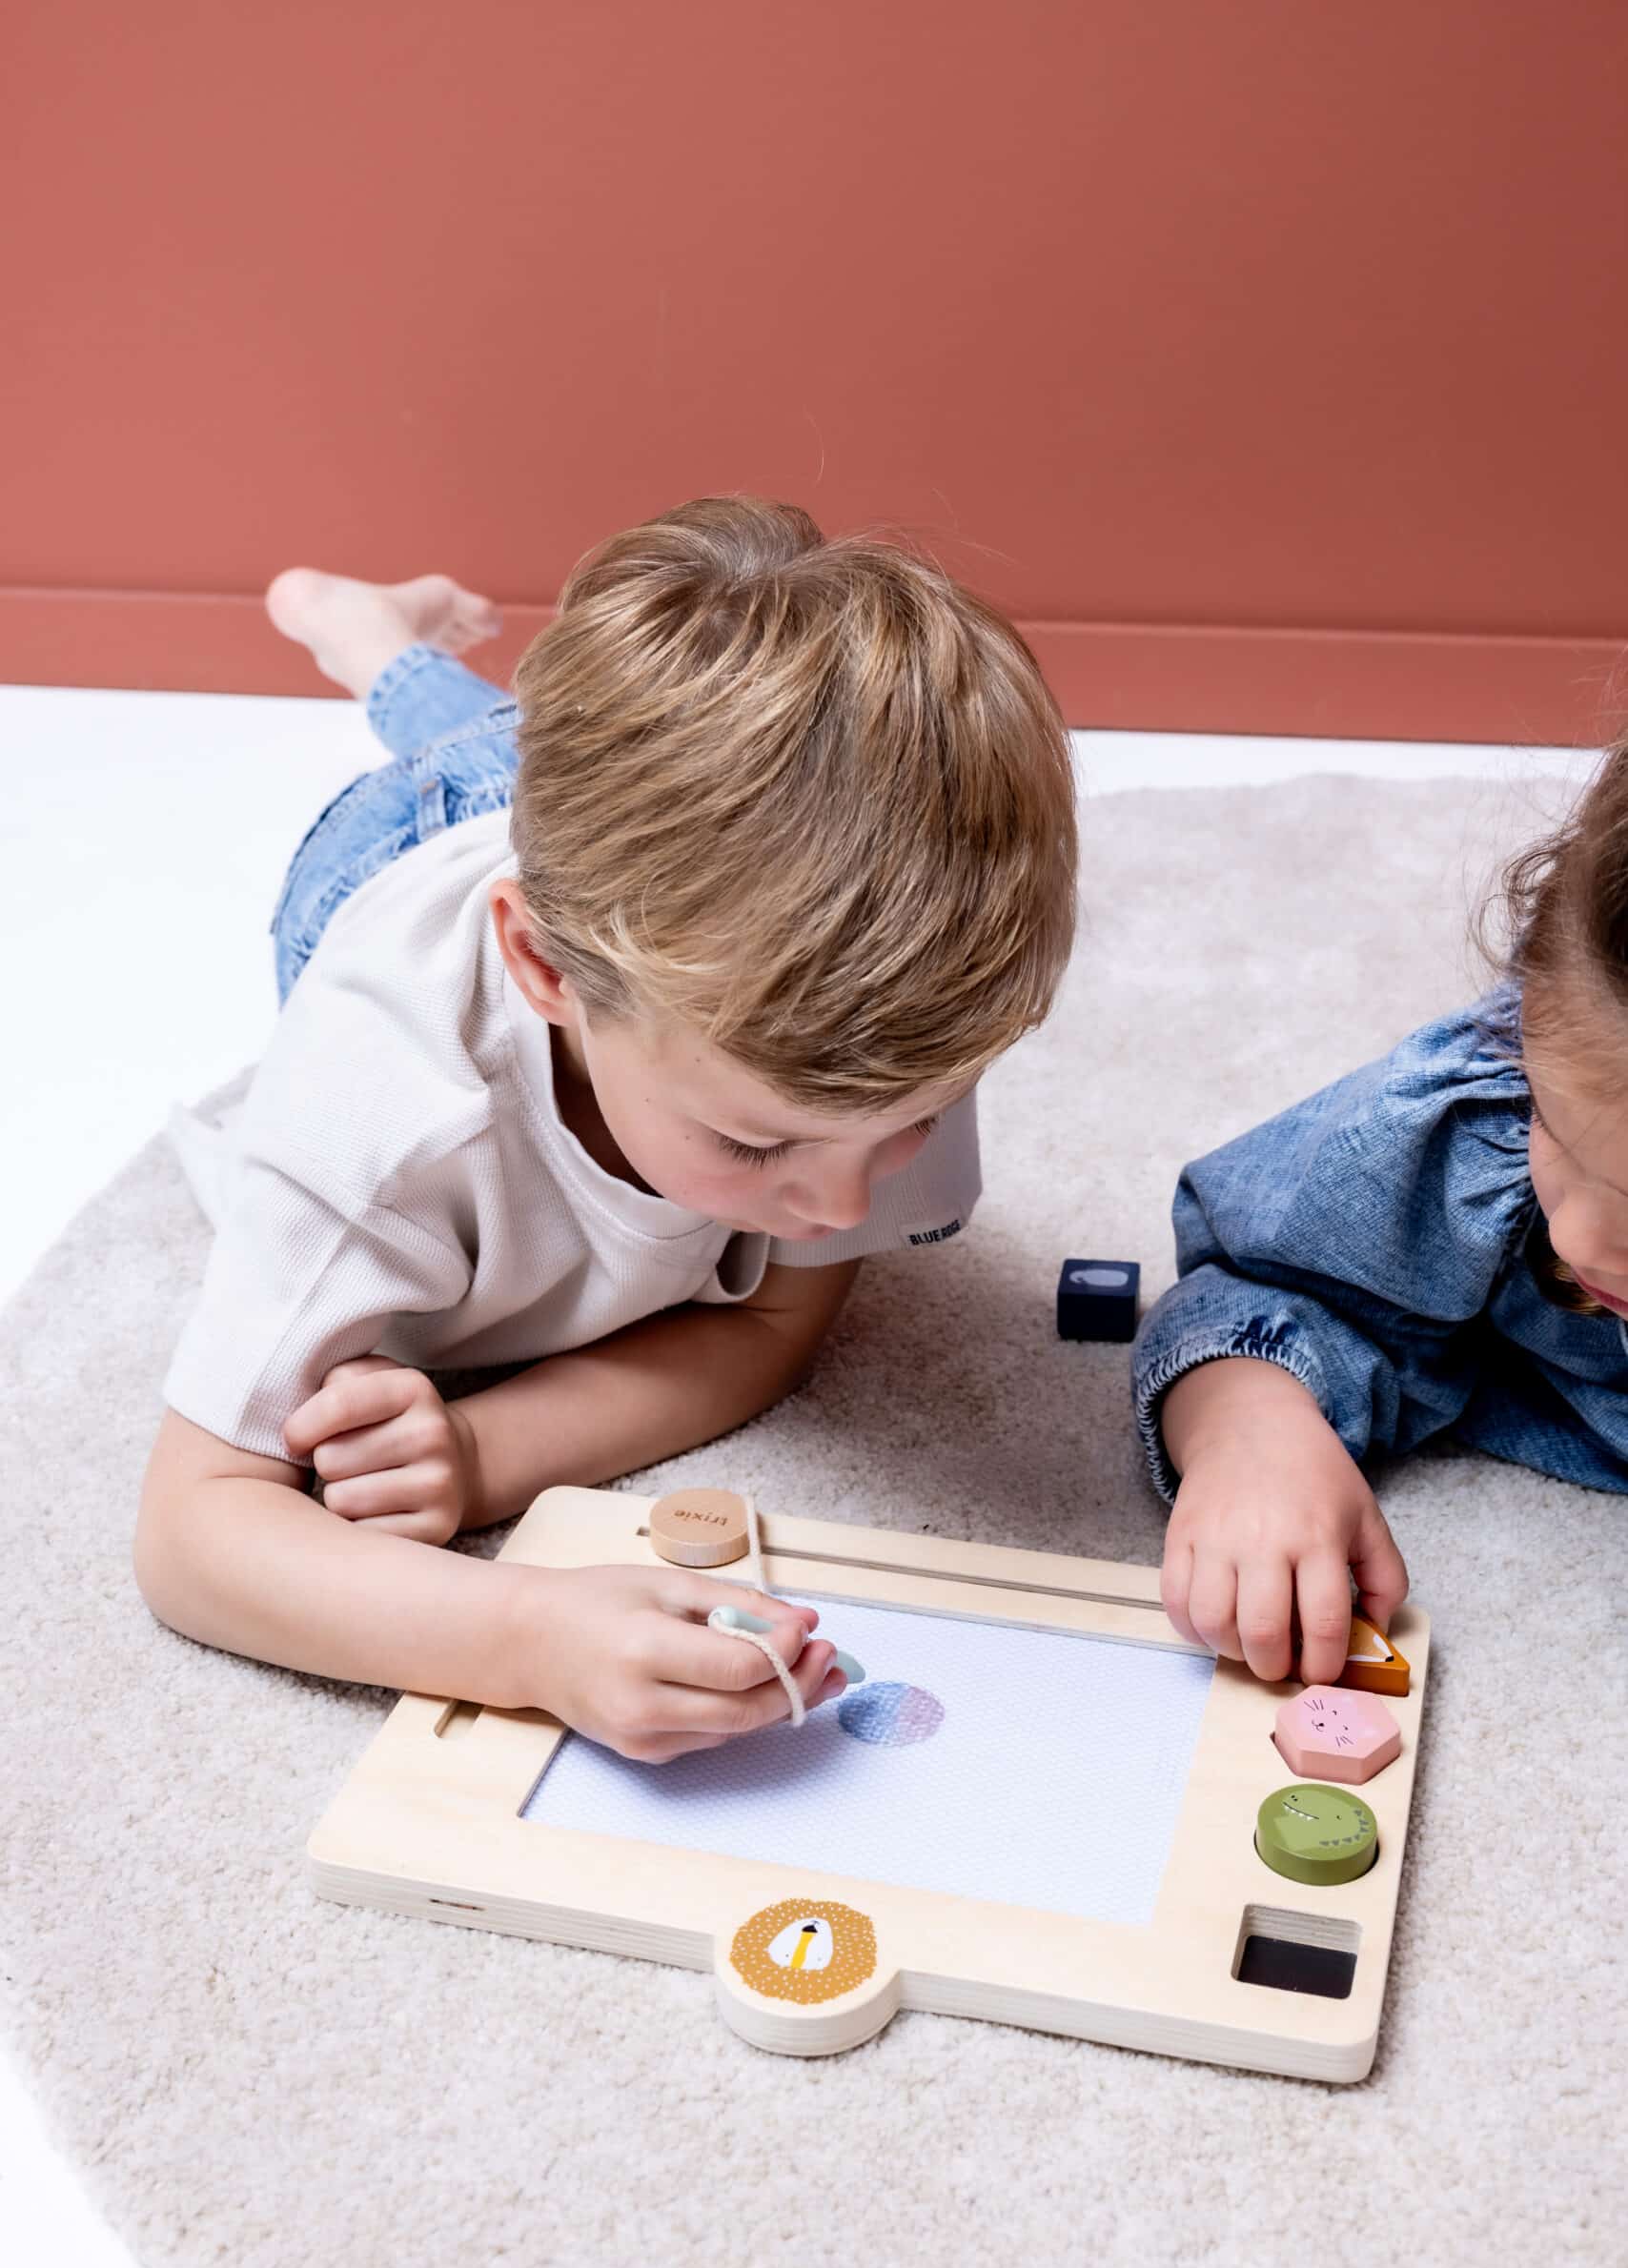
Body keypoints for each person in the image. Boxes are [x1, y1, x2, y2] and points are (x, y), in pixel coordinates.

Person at [135, 497, 1078, 1758]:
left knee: (512, 738)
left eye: (905, 1129)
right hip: (390, 856)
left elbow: (770, 1325)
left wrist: (478, 1448)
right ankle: (355, 631)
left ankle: (384, 639)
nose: (845, 1212)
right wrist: (524, 1634)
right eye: (754, 1146)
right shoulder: (388, 1101)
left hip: (584, 858)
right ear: (542, 969)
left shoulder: (882, 1016)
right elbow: (192, 1534)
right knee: (467, 757)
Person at [1134, 744, 1628, 1684]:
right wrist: (1248, 1423)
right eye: (1557, 1130)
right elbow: (1259, 1288)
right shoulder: (1478, 1120)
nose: (1581, 1241)